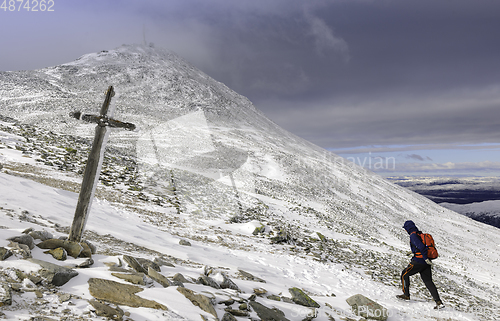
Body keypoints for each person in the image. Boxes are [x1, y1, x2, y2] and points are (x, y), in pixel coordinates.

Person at [397, 220, 445, 310]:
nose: (405, 230)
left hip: (419, 261)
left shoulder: (413, 235)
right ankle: (439, 302)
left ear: (408, 228)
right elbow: (420, 247)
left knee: (404, 274)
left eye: (405, 228)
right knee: (428, 282)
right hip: (425, 263)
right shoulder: (419, 234)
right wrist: (413, 252)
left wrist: (425, 258)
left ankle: (406, 295)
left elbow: (421, 247)